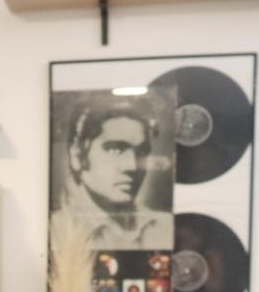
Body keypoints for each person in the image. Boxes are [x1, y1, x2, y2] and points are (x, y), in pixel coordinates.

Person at [53, 93, 173, 251]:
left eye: (141, 152)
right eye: (116, 149)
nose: (132, 166)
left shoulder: (166, 227)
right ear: (77, 156)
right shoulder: (55, 231)